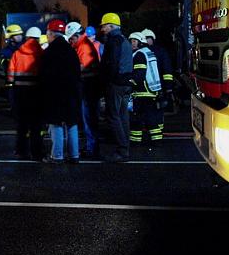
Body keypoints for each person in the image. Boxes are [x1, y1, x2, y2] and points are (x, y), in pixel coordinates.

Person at [40, 19, 82, 163]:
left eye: (47, 33)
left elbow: (44, 76)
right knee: (72, 123)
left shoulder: (49, 52)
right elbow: (78, 72)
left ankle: (57, 155)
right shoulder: (71, 50)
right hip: (72, 93)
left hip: (55, 93)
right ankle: (74, 155)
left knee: (56, 123)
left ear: (51, 34)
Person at [98, 13, 133, 162]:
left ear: (111, 26)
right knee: (123, 116)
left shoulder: (113, 41)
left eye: (104, 26)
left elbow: (110, 64)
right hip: (125, 83)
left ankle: (122, 150)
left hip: (115, 84)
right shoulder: (124, 40)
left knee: (113, 116)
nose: (102, 29)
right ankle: (125, 146)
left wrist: (104, 82)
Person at [8, 26, 44, 160]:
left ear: (27, 38)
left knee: (22, 124)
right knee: (36, 125)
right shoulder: (41, 53)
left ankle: (20, 150)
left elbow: (10, 75)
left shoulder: (17, 53)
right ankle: (37, 151)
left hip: (20, 92)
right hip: (36, 92)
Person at [68, 22, 101, 159]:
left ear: (77, 35)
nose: (70, 41)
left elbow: (82, 67)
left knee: (89, 120)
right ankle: (91, 146)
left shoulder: (84, 46)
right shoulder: (83, 45)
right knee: (89, 119)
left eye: (71, 39)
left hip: (88, 89)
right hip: (88, 87)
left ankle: (91, 148)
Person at [128, 32, 163, 146]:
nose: (132, 43)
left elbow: (139, 74)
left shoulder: (139, 54)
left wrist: (130, 83)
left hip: (143, 91)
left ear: (140, 42)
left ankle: (135, 141)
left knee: (137, 117)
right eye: (131, 41)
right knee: (150, 116)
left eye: (134, 41)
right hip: (151, 90)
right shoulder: (148, 52)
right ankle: (156, 139)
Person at [141, 28, 175, 121]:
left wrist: (168, 88)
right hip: (148, 88)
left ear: (152, 39)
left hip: (158, 87)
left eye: (148, 38)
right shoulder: (158, 51)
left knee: (157, 111)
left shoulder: (160, 51)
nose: (146, 40)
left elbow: (167, 71)